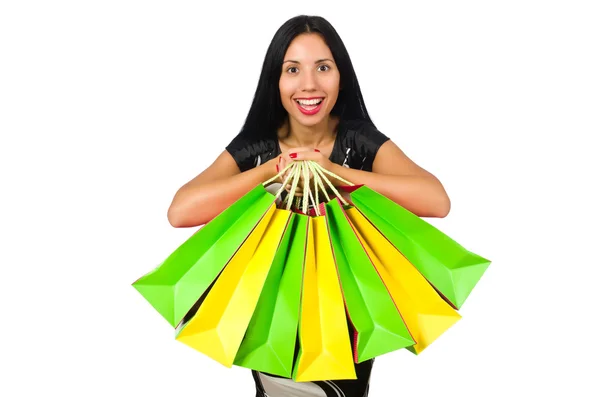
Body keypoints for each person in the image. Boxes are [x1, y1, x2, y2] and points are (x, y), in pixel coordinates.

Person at [167, 14, 451, 397]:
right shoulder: (257, 146)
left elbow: (436, 199)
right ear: (276, 80)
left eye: (323, 67)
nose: (309, 85)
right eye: (292, 69)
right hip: (271, 315)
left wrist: (334, 170)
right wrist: (273, 169)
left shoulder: (358, 141)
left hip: (347, 317)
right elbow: (181, 211)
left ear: (341, 75)